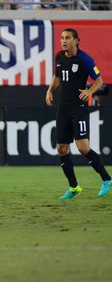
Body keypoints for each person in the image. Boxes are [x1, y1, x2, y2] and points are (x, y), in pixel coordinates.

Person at [46, 29, 111, 199]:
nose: (63, 41)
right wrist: (50, 90)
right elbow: (57, 76)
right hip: (63, 108)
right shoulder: (59, 57)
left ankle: (107, 179)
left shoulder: (85, 59)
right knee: (61, 148)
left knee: (82, 147)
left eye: (67, 38)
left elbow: (99, 81)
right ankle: (74, 187)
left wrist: (90, 92)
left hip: (79, 108)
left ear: (76, 41)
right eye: (62, 38)